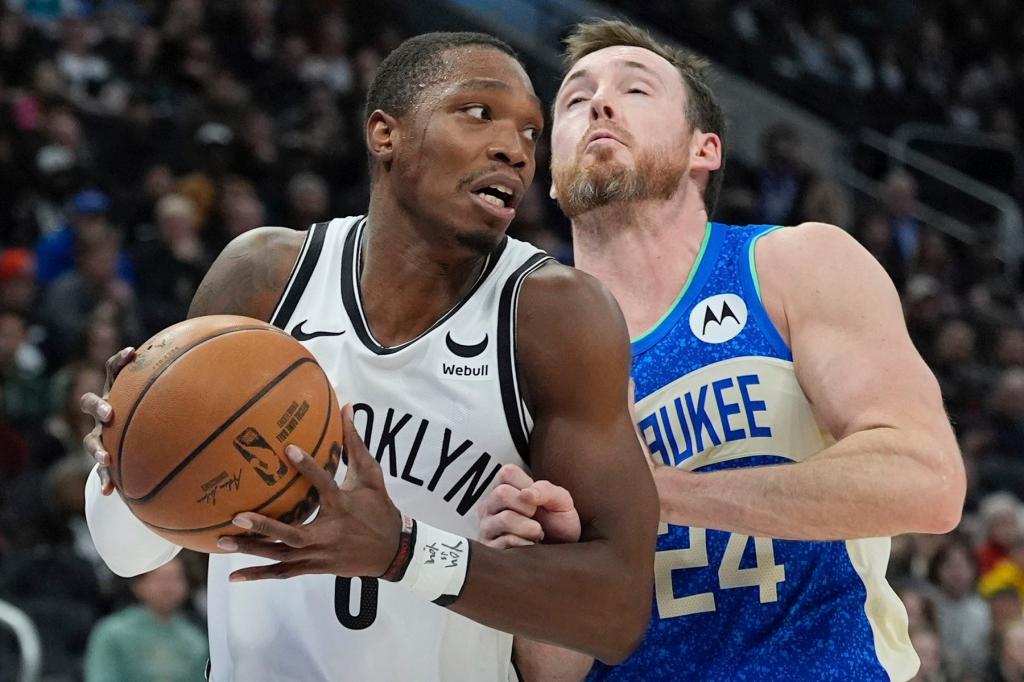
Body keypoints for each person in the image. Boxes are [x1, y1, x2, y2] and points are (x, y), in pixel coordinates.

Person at [80, 32, 658, 682]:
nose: (515, 150)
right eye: (479, 112)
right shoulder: (265, 275)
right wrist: (122, 459)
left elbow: (618, 611)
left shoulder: (556, 316)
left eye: (531, 133)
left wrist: (404, 552)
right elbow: (127, 552)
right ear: (386, 133)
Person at [478, 20, 965, 681]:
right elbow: (556, 671)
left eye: (635, 88)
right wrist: (537, 570)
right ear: (555, 180)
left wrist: (662, 495)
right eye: (574, 98)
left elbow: (925, 479)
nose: (598, 103)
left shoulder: (790, 266)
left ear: (701, 149)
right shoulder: (514, 356)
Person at [83, 558, 208, 682]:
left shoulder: (194, 640)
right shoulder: (112, 633)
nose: (168, 587)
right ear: (138, 584)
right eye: (160, 579)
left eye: (175, 579)